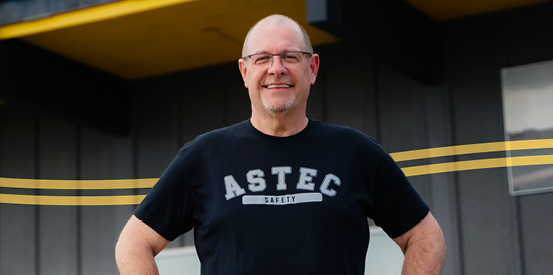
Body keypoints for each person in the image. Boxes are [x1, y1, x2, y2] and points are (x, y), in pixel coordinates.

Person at [115, 14, 446, 275]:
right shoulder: (203, 157)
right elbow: (133, 243)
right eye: (262, 59)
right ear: (245, 72)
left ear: (312, 68)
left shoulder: (356, 152)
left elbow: (427, 238)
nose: (277, 69)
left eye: (290, 56)